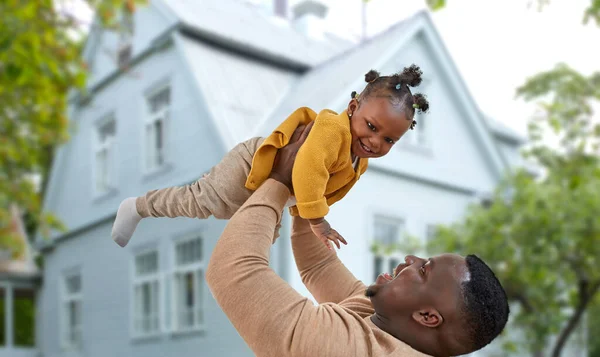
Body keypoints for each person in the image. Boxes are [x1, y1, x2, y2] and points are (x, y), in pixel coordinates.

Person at [205, 124, 510, 357]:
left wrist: (280, 180)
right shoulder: (384, 321)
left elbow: (233, 272)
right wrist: (310, 187)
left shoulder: (348, 349)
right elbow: (319, 266)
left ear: (427, 316)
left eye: (423, 270)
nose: (410, 260)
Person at [111, 64, 430, 250]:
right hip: (251, 168)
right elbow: (308, 170)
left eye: (389, 139)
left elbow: (321, 189)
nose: (375, 142)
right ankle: (137, 206)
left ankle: (246, 275)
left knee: (262, 240)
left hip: (276, 193)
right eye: (371, 127)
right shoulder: (334, 129)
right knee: (198, 201)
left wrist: (306, 218)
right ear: (352, 109)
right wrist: (318, 221)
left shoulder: (360, 159)